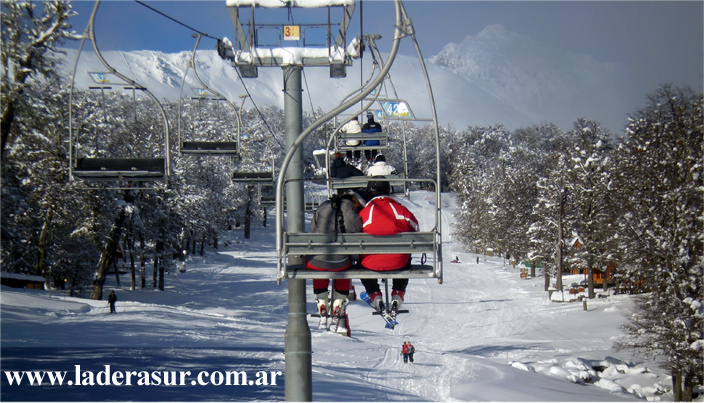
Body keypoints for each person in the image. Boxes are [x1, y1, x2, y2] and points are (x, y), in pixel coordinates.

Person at [306, 191, 366, 334]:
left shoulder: (323, 207)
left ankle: (322, 303)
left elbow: (313, 228)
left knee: (320, 266)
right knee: (344, 268)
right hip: (341, 262)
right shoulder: (351, 212)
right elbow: (358, 229)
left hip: (316, 261)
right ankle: (338, 304)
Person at [359, 178, 419, 318]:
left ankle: (374, 294)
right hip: (398, 263)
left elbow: (354, 232)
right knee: (405, 253)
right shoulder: (400, 210)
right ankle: (398, 293)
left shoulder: (365, 212)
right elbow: (416, 229)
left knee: (361, 259)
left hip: (370, 264)